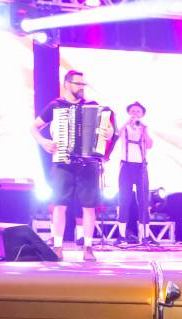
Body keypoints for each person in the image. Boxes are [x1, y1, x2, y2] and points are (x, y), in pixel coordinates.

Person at [31, 70, 114, 261]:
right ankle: (58, 247)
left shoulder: (93, 106)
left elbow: (109, 128)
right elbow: (33, 127)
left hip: (88, 163)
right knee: (59, 205)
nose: (82, 87)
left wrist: (108, 132)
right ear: (67, 84)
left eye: (83, 84)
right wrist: (43, 142)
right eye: (78, 84)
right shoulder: (56, 106)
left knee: (89, 206)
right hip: (63, 161)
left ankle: (88, 247)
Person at [112, 101, 153, 244]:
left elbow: (149, 145)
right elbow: (116, 135)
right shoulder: (124, 128)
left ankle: (145, 236)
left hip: (141, 167)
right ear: (129, 113)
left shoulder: (144, 128)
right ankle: (121, 235)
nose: (135, 113)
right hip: (126, 167)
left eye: (138, 111)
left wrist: (144, 131)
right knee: (124, 200)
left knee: (144, 201)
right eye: (133, 111)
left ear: (142, 114)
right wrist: (127, 123)